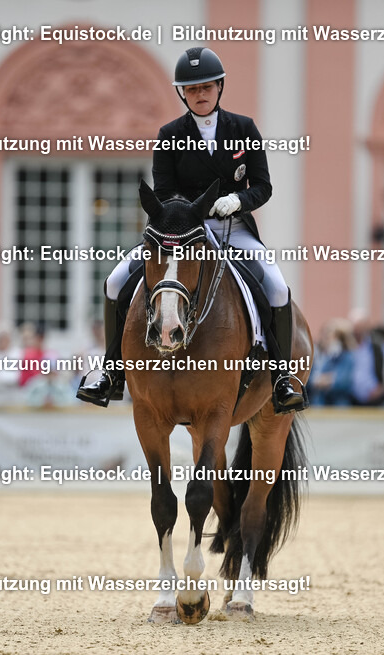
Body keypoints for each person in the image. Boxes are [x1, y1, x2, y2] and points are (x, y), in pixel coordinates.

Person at [77, 46, 306, 413]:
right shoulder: (170, 133)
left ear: (219, 87)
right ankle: (111, 370)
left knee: (277, 287)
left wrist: (238, 202)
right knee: (116, 281)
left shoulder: (243, 128)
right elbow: (164, 190)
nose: (200, 94)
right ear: (182, 93)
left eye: (206, 87)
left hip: (232, 226)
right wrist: (191, 212)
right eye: (192, 89)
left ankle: (280, 377)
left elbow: (263, 185)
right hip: (180, 230)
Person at [308, 318, 355, 406]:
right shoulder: (315, 354)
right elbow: (308, 380)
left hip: (338, 405)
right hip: (317, 404)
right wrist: (326, 379)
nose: (327, 338)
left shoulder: (347, 357)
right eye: (325, 334)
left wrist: (322, 380)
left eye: (331, 336)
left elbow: (342, 382)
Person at [348, 310, 384, 406]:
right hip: (351, 399)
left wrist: (382, 387)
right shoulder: (346, 347)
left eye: (360, 328)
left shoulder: (377, 346)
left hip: (375, 398)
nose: (357, 332)